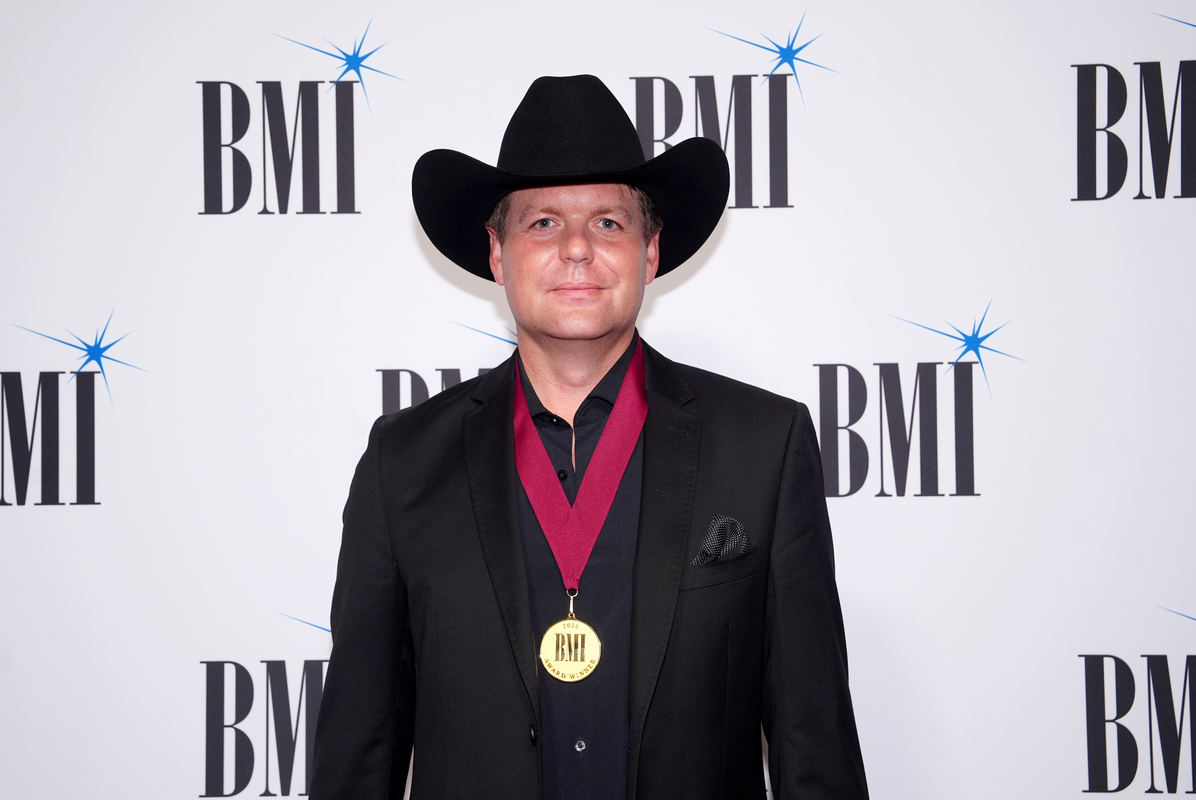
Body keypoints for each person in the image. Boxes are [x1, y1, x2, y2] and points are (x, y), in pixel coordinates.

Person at [310, 74, 868, 800]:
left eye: (608, 222)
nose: (577, 248)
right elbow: (360, 750)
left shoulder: (766, 445)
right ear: (498, 255)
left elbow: (813, 745)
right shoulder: (403, 462)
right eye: (542, 222)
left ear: (651, 253)